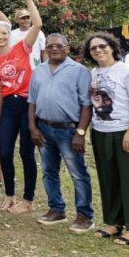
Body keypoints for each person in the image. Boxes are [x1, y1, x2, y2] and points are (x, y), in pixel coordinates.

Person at [83, 32, 129, 246]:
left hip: (125, 130)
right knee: (108, 179)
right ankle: (113, 222)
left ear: (112, 47)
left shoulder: (127, 71)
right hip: (102, 132)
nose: (98, 50)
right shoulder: (93, 73)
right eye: (93, 48)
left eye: (102, 46)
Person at [27, 33, 93, 232]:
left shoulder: (79, 71)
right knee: (49, 171)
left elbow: (86, 105)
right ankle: (56, 209)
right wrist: (32, 127)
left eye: (59, 45)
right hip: (44, 129)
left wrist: (80, 133)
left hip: (68, 131)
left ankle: (84, 215)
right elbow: (32, 101)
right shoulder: (38, 70)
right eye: (50, 46)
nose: (54, 49)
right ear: (45, 48)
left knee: (78, 173)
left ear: (67, 48)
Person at [0, 0, 42, 214]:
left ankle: (27, 201)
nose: (0, 36)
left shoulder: (22, 47)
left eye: (4, 33)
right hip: (8, 106)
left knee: (26, 153)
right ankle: (10, 196)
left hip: (28, 105)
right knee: (5, 152)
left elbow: (37, 25)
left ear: (10, 34)